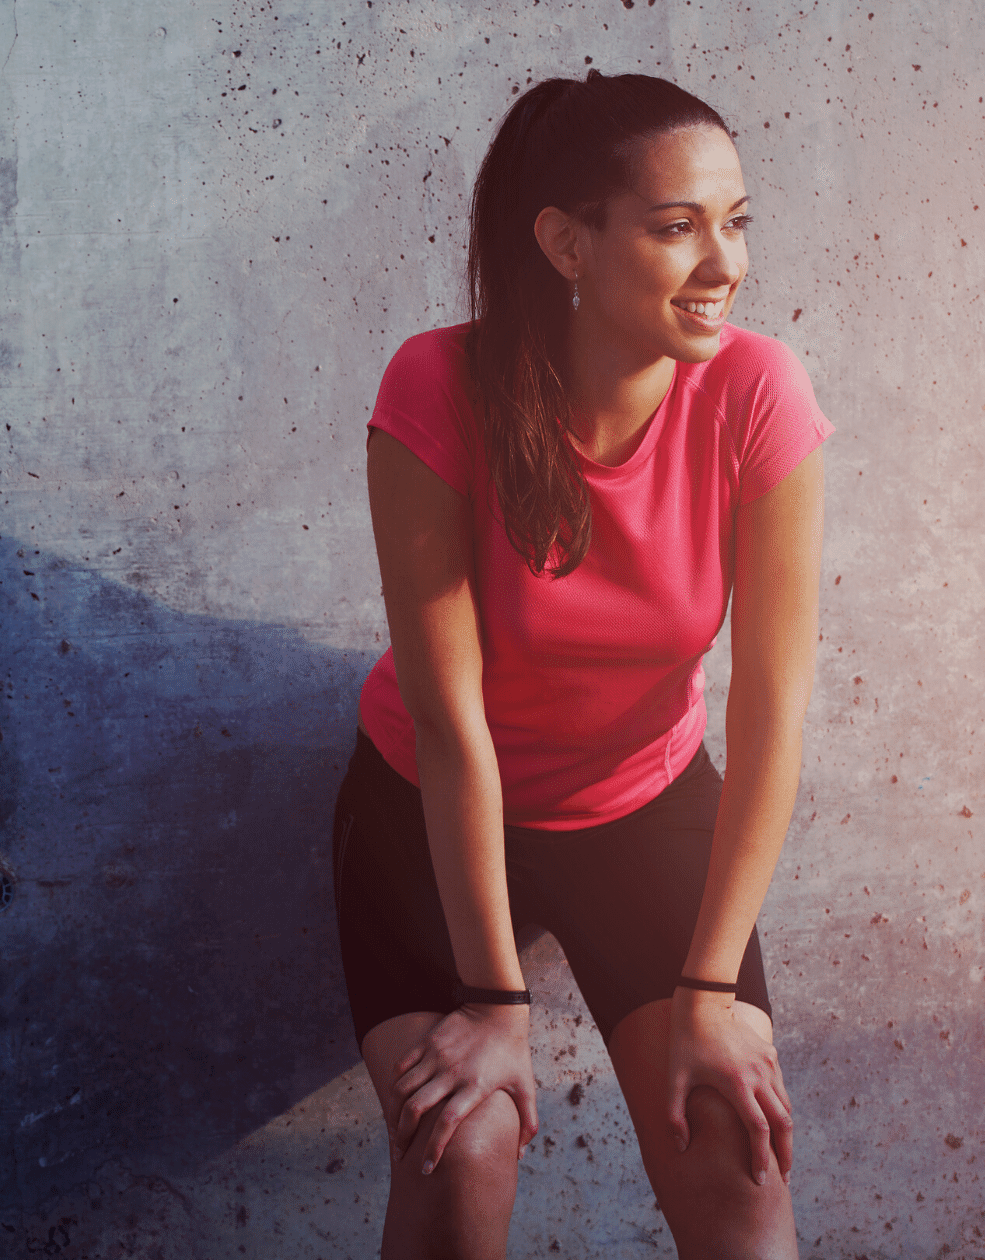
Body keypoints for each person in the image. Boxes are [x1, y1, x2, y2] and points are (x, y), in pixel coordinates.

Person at [330, 70, 830, 1259]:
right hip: (429, 810)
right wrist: (497, 1006)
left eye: (734, 221)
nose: (723, 263)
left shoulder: (757, 393)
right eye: (675, 227)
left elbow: (769, 714)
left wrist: (711, 993)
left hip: (641, 809)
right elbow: (453, 730)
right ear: (563, 241)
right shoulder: (435, 385)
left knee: (731, 1145)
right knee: (466, 1149)